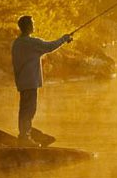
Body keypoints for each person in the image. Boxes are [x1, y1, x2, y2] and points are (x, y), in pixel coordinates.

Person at [11, 15, 73, 147]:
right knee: (29, 110)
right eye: (33, 23)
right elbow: (50, 47)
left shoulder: (16, 43)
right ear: (28, 27)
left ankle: (24, 135)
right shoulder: (32, 43)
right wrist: (64, 38)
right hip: (30, 82)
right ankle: (24, 138)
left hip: (22, 82)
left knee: (24, 110)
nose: (34, 26)